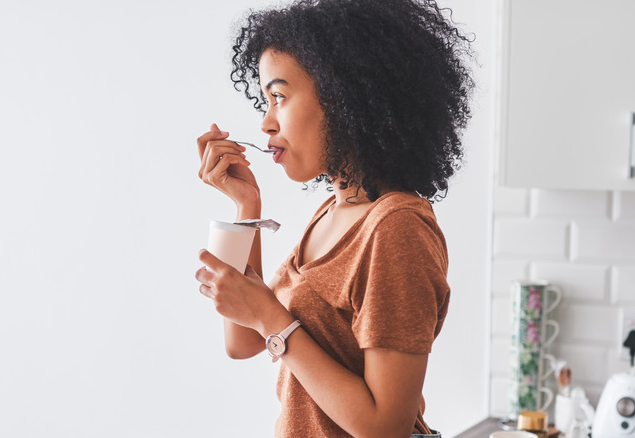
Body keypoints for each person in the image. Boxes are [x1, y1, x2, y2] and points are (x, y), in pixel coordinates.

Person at [194, 0, 474, 436]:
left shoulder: (395, 228)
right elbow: (244, 340)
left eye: (280, 97)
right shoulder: (332, 211)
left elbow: (385, 428)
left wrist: (272, 319)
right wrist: (246, 209)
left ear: (345, 97)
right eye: (265, 101)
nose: (266, 122)